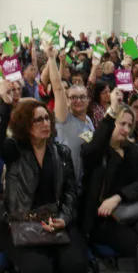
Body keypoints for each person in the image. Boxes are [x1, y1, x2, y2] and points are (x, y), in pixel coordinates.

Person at [0, 80, 88, 273]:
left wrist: (64, 218)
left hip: (54, 220)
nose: (45, 123)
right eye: (38, 120)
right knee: (39, 269)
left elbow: (70, 192)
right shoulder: (14, 151)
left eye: (47, 118)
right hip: (21, 223)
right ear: (25, 125)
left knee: (75, 264)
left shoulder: (60, 152)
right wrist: (6, 105)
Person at [80, 88, 138, 273]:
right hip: (104, 219)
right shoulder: (96, 150)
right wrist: (111, 113)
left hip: (131, 210)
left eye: (129, 125)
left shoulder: (134, 151)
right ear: (111, 124)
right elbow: (92, 151)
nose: (126, 129)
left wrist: (118, 197)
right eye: (121, 123)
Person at [44, 44, 95, 191]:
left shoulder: (89, 121)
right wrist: (52, 59)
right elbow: (58, 88)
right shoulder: (64, 118)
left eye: (81, 97)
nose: (77, 100)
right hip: (66, 185)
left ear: (88, 100)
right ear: (67, 101)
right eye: (73, 97)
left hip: (85, 184)